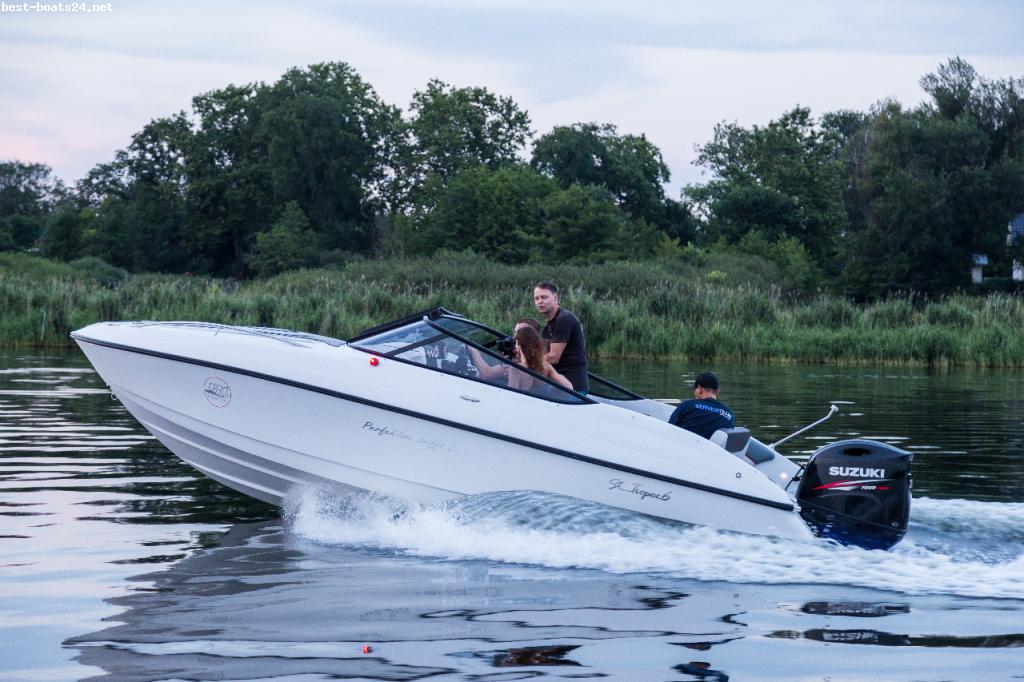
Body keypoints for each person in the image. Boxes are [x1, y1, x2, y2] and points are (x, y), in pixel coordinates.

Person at [533, 281, 589, 392]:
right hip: (559, 385)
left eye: (544, 297)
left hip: (572, 388)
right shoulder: (548, 326)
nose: (540, 302)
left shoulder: (563, 319)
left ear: (555, 298)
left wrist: (528, 362)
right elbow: (544, 354)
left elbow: (553, 358)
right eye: (537, 298)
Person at [669, 372, 735, 440]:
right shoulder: (730, 414)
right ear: (717, 391)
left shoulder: (687, 405)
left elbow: (668, 429)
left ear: (700, 389)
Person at [508, 325, 573, 391]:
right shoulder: (546, 366)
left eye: (516, 343)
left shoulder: (516, 369)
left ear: (519, 344)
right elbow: (569, 387)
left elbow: (511, 396)